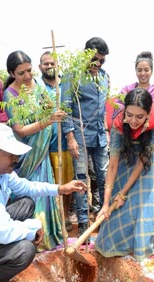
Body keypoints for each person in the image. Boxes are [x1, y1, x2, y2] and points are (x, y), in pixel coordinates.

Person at [0, 123, 86, 282]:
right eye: (11, 155)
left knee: (26, 203)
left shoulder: (4, 174)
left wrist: (61, 188)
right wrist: (33, 228)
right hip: (1, 232)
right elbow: (3, 232)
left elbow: (27, 187)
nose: (16, 160)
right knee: (25, 250)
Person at [95, 88, 154, 262]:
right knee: (119, 206)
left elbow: (143, 160)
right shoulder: (118, 123)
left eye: (139, 117)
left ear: (148, 115)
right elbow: (113, 165)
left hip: (150, 154)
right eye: (129, 115)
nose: (133, 121)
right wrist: (106, 203)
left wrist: (123, 193)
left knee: (148, 201)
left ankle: (142, 245)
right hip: (128, 149)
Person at [3, 50, 67, 252]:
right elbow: (20, 129)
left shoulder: (38, 84)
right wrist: (47, 121)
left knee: (44, 188)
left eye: (29, 71)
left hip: (43, 152)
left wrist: (55, 111)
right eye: (21, 73)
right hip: (27, 152)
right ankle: (25, 237)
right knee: (27, 190)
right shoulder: (10, 94)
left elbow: (48, 107)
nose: (27, 76)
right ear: (13, 74)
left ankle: (47, 233)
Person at [61, 37, 110, 237]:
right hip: (80, 135)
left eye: (102, 61)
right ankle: (82, 221)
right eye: (95, 60)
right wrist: (70, 137)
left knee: (105, 176)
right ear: (86, 55)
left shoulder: (105, 76)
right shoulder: (71, 76)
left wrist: (106, 130)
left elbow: (104, 107)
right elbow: (65, 108)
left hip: (100, 135)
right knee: (81, 178)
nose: (98, 64)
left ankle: (104, 216)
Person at [39, 51, 74, 232]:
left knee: (66, 180)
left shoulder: (66, 86)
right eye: (46, 64)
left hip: (64, 144)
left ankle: (66, 214)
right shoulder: (37, 87)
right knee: (49, 184)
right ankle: (51, 219)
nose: (50, 67)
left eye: (52, 63)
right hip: (45, 145)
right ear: (40, 67)